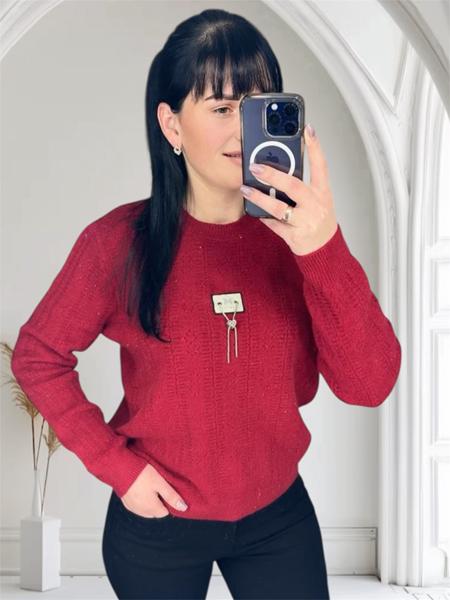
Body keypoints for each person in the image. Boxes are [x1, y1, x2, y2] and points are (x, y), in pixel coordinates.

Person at [11, 8, 402, 600]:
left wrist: (322, 246)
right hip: (157, 523)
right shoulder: (117, 244)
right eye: (221, 108)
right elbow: (38, 356)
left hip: (277, 516)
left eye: (257, 107)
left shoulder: (303, 242)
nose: (244, 130)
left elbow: (369, 385)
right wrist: (118, 467)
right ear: (171, 125)